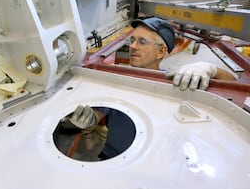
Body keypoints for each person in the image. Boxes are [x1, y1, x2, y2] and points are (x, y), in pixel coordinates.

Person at [67, 17, 236, 160]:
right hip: (111, 158)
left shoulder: (176, 83)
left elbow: (234, 86)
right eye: (132, 40)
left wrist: (208, 68)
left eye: (142, 42)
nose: (133, 46)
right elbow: (96, 115)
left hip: (152, 162)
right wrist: (87, 121)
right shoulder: (118, 78)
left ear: (160, 52)